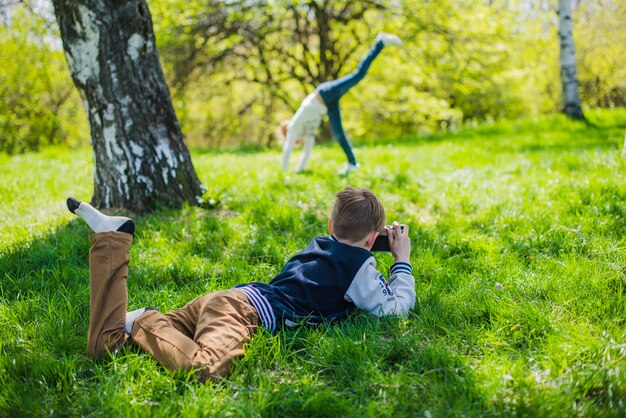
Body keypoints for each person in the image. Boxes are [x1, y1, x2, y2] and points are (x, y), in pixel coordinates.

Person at [67, 187, 414, 381]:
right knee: (206, 370)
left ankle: (110, 240)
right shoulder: (360, 266)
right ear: (372, 240)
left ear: (329, 224)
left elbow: (343, 245)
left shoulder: (320, 244)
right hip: (241, 314)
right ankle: (146, 320)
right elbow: (394, 310)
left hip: (227, 299)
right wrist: (401, 259)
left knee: (106, 346)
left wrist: (367, 242)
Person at [280, 33, 403, 175]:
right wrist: (299, 171)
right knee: (338, 134)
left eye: (295, 141)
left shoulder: (294, 127)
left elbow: (287, 149)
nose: (298, 143)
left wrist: (284, 174)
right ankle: (352, 164)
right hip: (327, 105)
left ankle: (380, 43)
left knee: (358, 75)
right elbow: (307, 150)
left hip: (325, 94)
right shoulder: (305, 132)